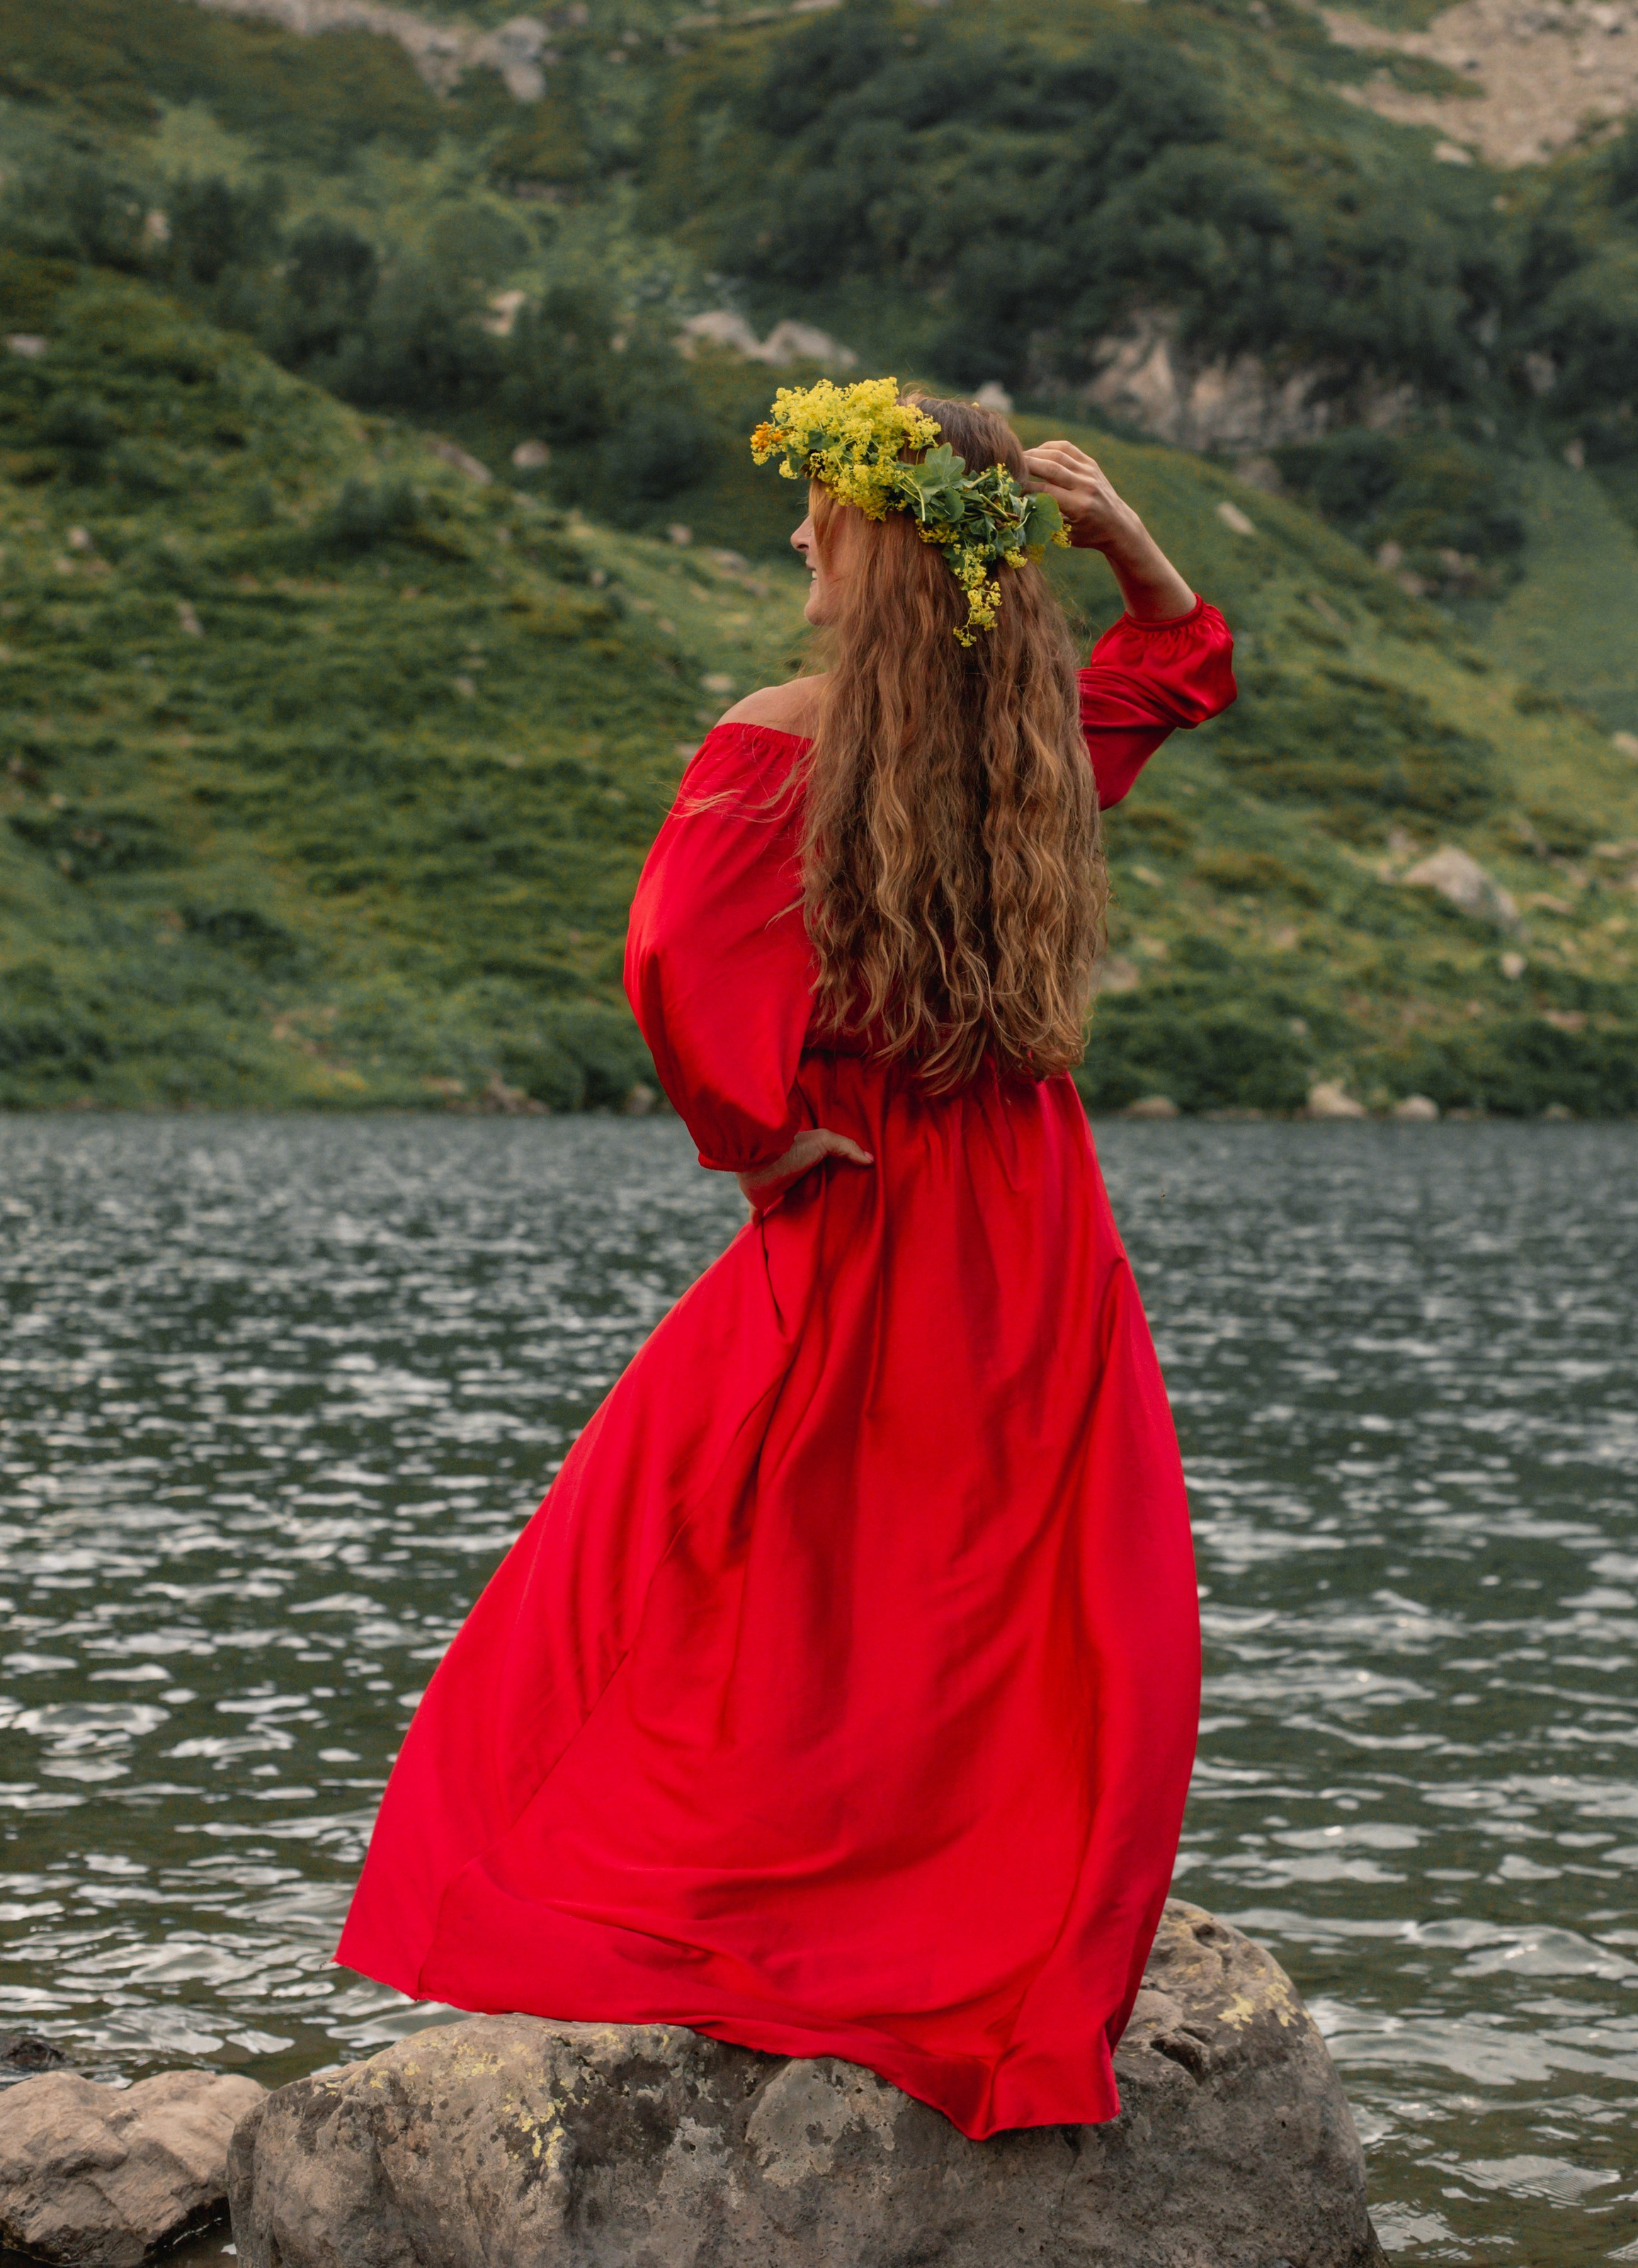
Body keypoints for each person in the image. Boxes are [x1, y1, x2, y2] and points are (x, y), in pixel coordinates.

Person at [335, 384, 1236, 2141]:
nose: (793, 535)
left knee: (749, 1550)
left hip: (864, 1195)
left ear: (873, 544)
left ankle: (745, 1903)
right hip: (1028, 1206)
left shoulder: (780, 734)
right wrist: (1124, 540)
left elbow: (671, 952)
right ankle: (976, 1922)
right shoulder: (1032, 733)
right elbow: (1183, 665)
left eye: (815, 509)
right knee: (1004, 1581)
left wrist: (755, 1142)